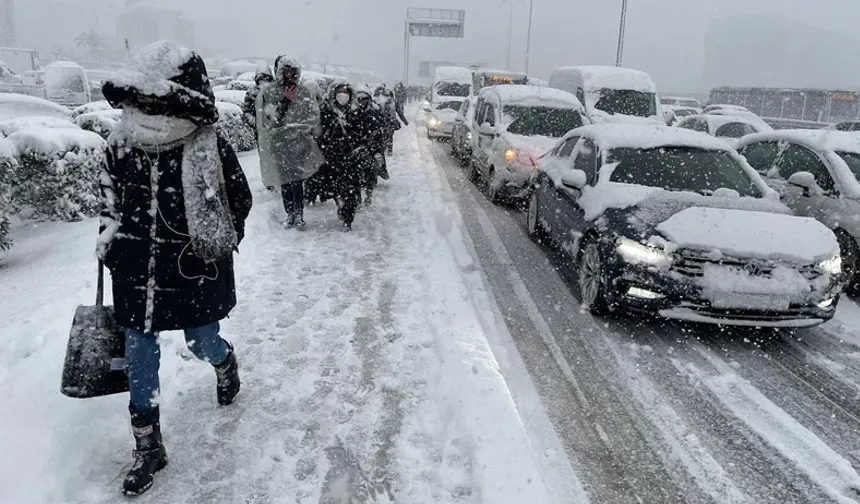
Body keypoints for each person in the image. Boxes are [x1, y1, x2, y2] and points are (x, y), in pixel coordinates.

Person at [98, 40, 253, 497]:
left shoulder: (207, 144)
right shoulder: (121, 142)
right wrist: (111, 242)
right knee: (139, 350)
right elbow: (108, 201)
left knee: (200, 340)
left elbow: (237, 201)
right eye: (140, 98)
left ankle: (225, 362)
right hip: (134, 267)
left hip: (191, 267)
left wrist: (213, 245)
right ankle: (147, 446)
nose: (145, 106)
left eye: (155, 98)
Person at [256, 56, 324, 228]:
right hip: (279, 143)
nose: (289, 75)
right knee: (285, 180)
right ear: (280, 72)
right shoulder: (270, 92)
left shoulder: (304, 92)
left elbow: (312, 115)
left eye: (292, 71)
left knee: (297, 180)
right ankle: (290, 213)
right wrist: (285, 101)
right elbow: (270, 119)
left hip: (299, 143)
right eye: (285, 71)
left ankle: (298, 213)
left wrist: (304, 129)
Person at [318, 81, 361, 230]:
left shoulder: (355, 112)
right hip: (333, 157)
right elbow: (320, 133)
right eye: (340, 91)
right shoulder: (326, 111)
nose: (343, 95)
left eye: (345, 92)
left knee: (351, 189)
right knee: (336, 188)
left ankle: (348, 218)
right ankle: (341, 206)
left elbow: (361, 133)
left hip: (352, 157)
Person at [350, 86, 387, 206]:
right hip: (356, 147)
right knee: (354, 174)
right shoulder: (352, 113)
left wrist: (374, 144)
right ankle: (357, 199)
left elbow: (381, 128)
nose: (362, 101)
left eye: (364, 98)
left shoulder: (375, 112)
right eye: (359, 98)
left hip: (372, 147)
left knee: (371, 170)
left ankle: (369, 193)